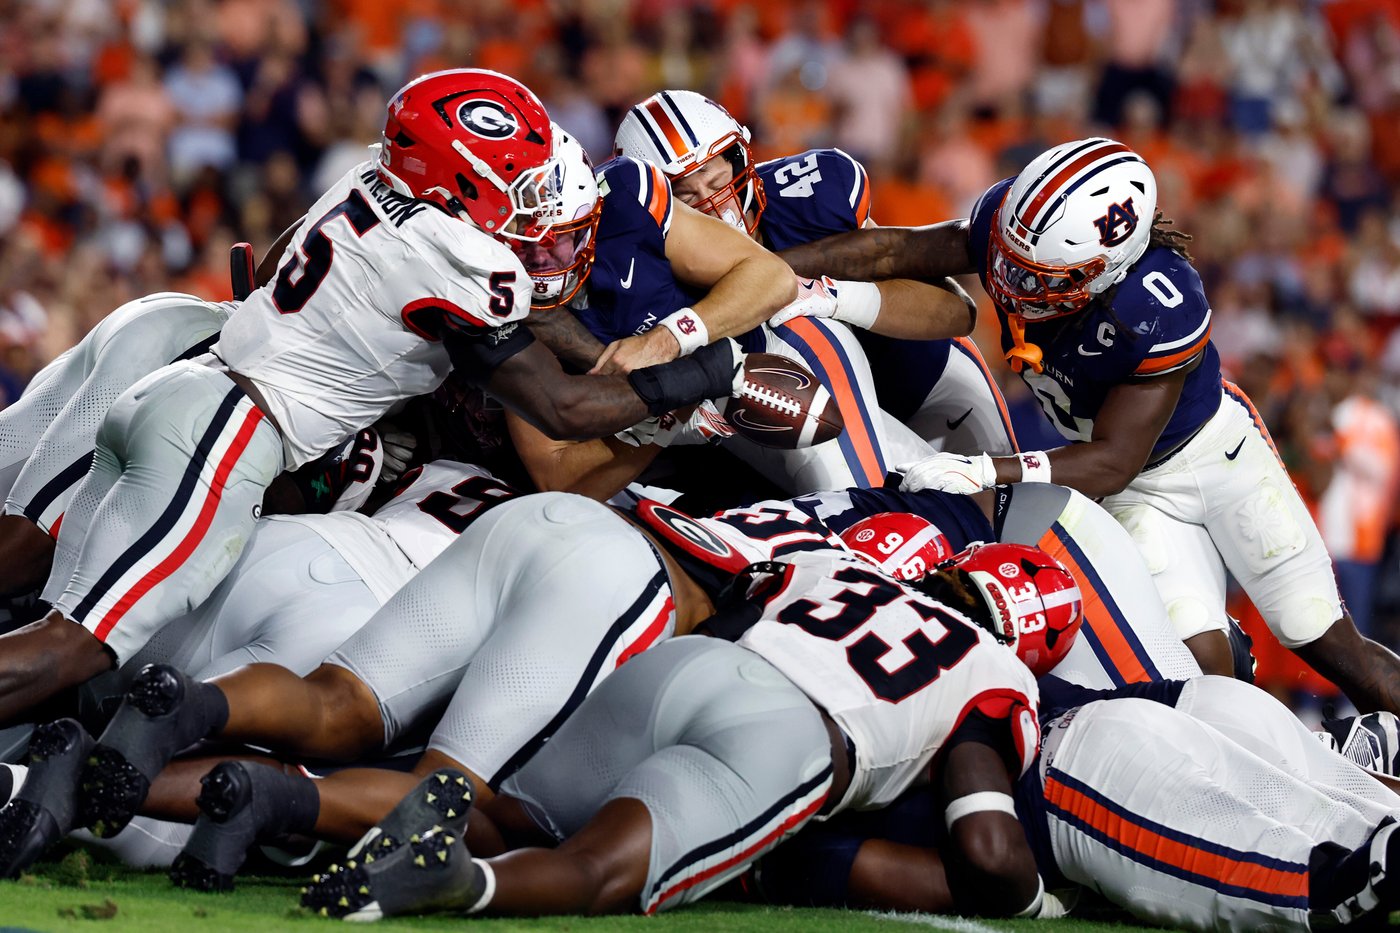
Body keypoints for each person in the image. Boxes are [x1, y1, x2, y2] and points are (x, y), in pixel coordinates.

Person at [0, 69, 752, 724]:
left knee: (31, 597)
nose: (537, 231)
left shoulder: (370, 175)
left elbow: (263, 272)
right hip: (225, 430)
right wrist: (695, 377)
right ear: (459, 184)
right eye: (517, 199)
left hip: (182, 378)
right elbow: (561, 409)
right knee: (75, 645)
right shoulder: (464, 259)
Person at [779, 136, 1400, 715]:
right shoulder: (1019, 234)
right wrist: (773, 269)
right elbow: (896, 248)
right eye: (1014, 261)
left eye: (1040, 277)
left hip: (1215, 461)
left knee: (1325, 642)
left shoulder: (1156, 303)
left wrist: (983, 470)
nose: (1012, 282)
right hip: (1136, 492)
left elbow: (1115, 458)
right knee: (1199, 677)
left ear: (1106, 272)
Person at [299, 540, 1076, 920]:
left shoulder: (845, 570)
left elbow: (732, 610)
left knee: (499, 813)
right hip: (788, 732)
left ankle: (276, 798)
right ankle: (457, 884)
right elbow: (987, 851)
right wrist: (1039, 900)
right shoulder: (998, 672)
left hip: (685, 666)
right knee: (592, 870)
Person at [752, 675, 1400, 932]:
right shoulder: (868, 633)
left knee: (1325, 886)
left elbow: (985, 862)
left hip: (1078, 778)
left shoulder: (789, 791)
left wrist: (1040, 898)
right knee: (1367, 829)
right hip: (1157, 707)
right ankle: (1353, 751)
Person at [614, 90, 1017, 467]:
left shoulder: (810, 199)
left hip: (928, 379)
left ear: (741, 159)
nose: (713, 201)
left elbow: (955, 310)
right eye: (685, 196)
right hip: (816, 423)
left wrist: (836, 296)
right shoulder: (642, 274)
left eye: (718, 180)